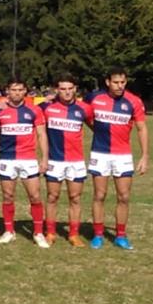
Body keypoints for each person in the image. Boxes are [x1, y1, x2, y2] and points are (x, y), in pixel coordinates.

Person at [85, 67, 149, 250]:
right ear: (107, 82)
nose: (120, 86)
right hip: (100, 153)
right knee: (99, 195)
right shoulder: (94, 98)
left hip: (123, 155)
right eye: (116, 82)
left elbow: (142, 128)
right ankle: (97, 235)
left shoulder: (134, 101)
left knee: (124, 196)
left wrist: (145, 156)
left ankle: (121, 235)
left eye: (123, 82)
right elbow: (82, 114)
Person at [0, 80, 48, 248]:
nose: (17, 93)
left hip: (28, 159)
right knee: (8, 196)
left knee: (35, 196)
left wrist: (44, 159)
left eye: (20, 90)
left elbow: (42, 135)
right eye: (14, 90)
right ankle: (9, 231)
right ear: (8, 91)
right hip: (7, 159)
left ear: (25, 91)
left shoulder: (34, 110)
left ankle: (38, 233)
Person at [42, 73, 93, 247]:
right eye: (63, 89)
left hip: (76, 161)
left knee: (75, 198)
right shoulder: (46, 108)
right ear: (57, 90)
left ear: (75, 89)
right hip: (54, 160)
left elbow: (96, 127)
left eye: (70, 88)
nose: (67, 92)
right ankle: (50, 233)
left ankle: (74, 234)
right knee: (52, 197)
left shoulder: (84, 109)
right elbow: (20, 106)